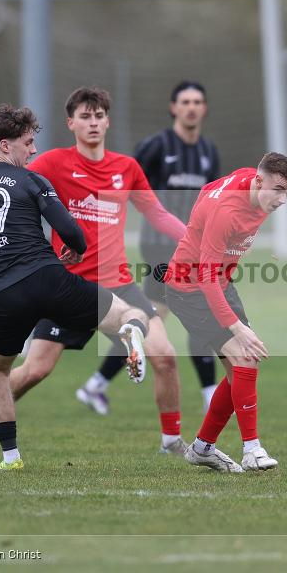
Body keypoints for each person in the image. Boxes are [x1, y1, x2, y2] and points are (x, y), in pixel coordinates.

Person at [0, 87, 189, 456]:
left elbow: (156, 213)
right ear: (71, 123)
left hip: (119, 283)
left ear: (108, 121)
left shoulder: (126, 167)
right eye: (85, 116)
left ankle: (172, 443)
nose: (93, 123)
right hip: (69, 285)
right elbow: (4, 183)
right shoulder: (50, 164)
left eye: (99, 116)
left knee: (166, 357)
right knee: (35, 371)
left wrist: (194, 238)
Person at [78, 81, 223, 415]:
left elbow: (212, 199)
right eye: (184, 101)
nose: (191, 107)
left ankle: (95, 385)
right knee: (200, 314)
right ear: (173, 107)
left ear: (204, 108)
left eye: (197, 101)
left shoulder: (208, 152)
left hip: (193, 248)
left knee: (146, 320)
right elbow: (123, 180)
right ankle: (211, 397)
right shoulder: (156, 146)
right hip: (161, 249)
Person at [167, 151, 287, 472]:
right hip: (190, 289)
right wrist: (238, 328)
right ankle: (252, 449)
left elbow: (206, 190)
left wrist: (199, 229)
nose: (283, 199)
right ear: (259, 182)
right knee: (245, 355)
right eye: (279, 189)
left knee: (244, 364)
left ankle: (201, 448)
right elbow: (205, 276)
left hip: (219, 283)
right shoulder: (227, 211)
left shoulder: (249, 180)